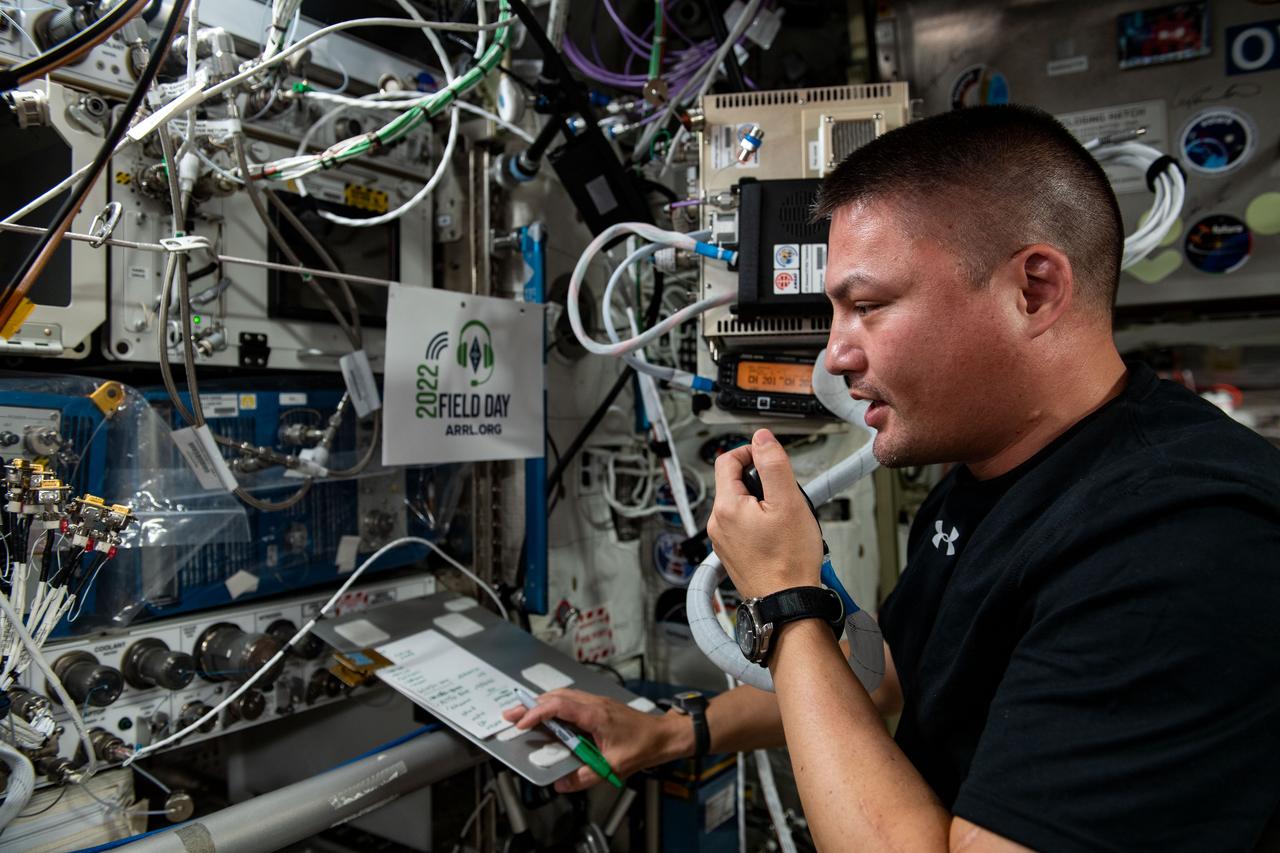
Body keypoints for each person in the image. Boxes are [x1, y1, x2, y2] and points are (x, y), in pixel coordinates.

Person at [505, 105, 1280, 851]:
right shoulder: (986, 474)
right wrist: (676, 730)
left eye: (867, 305)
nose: (835, 355)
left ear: (1034, 289)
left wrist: (784, 597)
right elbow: (884, 685)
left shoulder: (1185, 536)